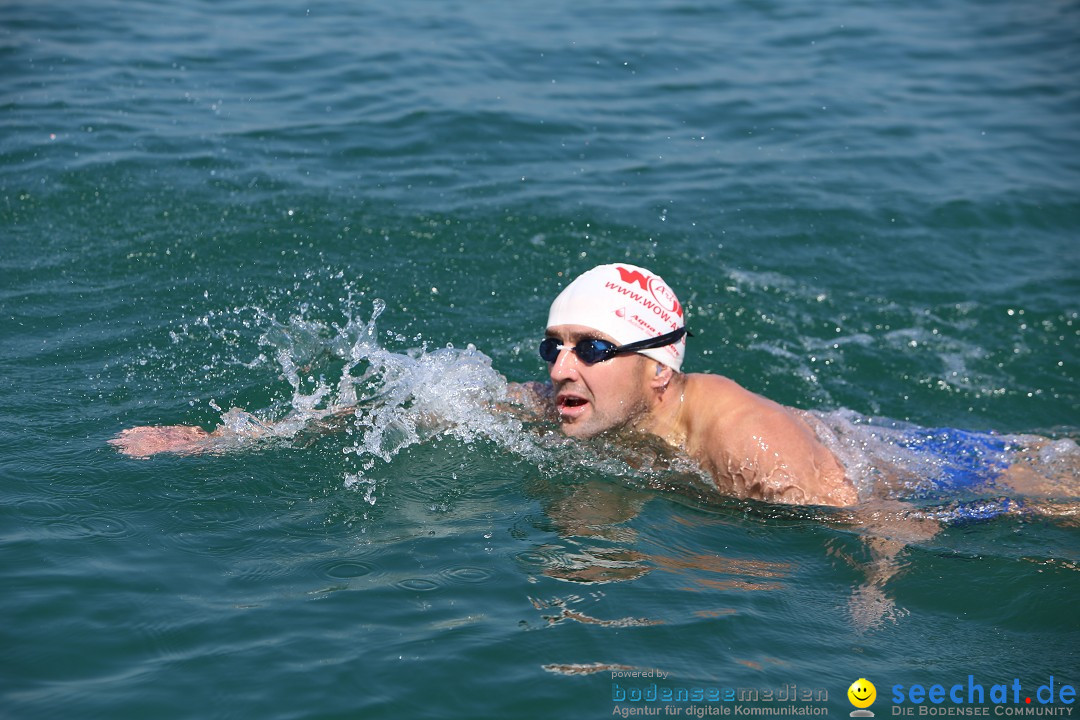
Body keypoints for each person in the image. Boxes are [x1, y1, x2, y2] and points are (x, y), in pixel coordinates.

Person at [111, 263, 860, 507]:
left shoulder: (745, 441)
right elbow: (409, 404)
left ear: (659, 369)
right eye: (554, 347)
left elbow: (874, 516)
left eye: (592, 349)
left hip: (939, 475)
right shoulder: (556, 405)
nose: (561, 369)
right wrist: (226, 439)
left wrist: (873, 594)